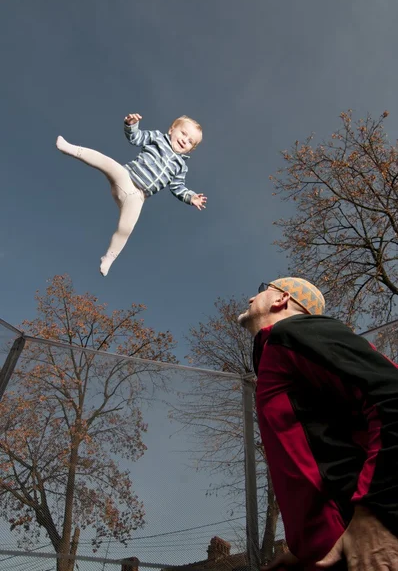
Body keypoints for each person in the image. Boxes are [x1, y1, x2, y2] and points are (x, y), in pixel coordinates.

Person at [238, 277, 398, 571]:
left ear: (281, 299)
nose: (250, 298)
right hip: (332, 550)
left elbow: (392, 394)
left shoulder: (292, 332)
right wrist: (304, 548)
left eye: (262, 290)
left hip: (367, 546)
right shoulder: (276, 356)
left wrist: (376, 512)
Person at [56, 113, 206, 276]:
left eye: (191, 141)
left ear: (191, 148)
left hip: (138, 197)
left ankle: (109, 258)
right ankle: (70, 149)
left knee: (126, 228)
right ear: (171, 130)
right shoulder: (157, 138)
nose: (185, 140)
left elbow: (178, 187)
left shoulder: (181, 166)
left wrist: (191, 197)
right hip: (125, 178)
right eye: (183, 133)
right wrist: (131, 125)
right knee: (107, 162)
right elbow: (136, 138)